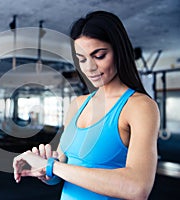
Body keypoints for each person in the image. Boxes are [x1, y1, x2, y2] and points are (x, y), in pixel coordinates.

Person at [13, 10, 160, 200]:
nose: (89, 68)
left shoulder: (140, 107)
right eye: (82, 59)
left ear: (119, 51)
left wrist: (53, 166)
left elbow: (137, 188)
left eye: (99, 56)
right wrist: (44, 169)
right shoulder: (78, 104)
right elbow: (64, 168)